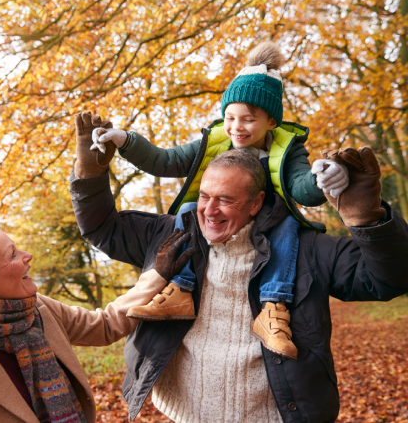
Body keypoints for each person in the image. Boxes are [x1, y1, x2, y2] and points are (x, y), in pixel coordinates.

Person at [70, 113, 408, 422]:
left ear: (256, 202)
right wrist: (90, 174)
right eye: (204, 196)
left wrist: (369, 221)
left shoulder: (305, 248)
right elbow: (104, 229)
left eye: (226, 199)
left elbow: (388, 279)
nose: (209, 210)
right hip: (184, 414)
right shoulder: (172, 233)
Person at [89, 42, 349, 360]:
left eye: (248, 119)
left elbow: (300, 188)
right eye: (230, 117)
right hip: (221, 218)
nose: (236, 127)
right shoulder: (214, 142)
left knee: (288, 229)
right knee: (187, 210)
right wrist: (127, 140)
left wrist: (322, 180)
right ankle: (180, 290)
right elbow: (165, 161)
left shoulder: (287, 148)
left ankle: (273, 308)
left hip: (267, 217)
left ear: (271, 122)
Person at [0, 221, 193, 423]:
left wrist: (157, 275)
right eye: (13, 254)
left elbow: (105, 325)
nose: (28, 256)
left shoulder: (38, 309)